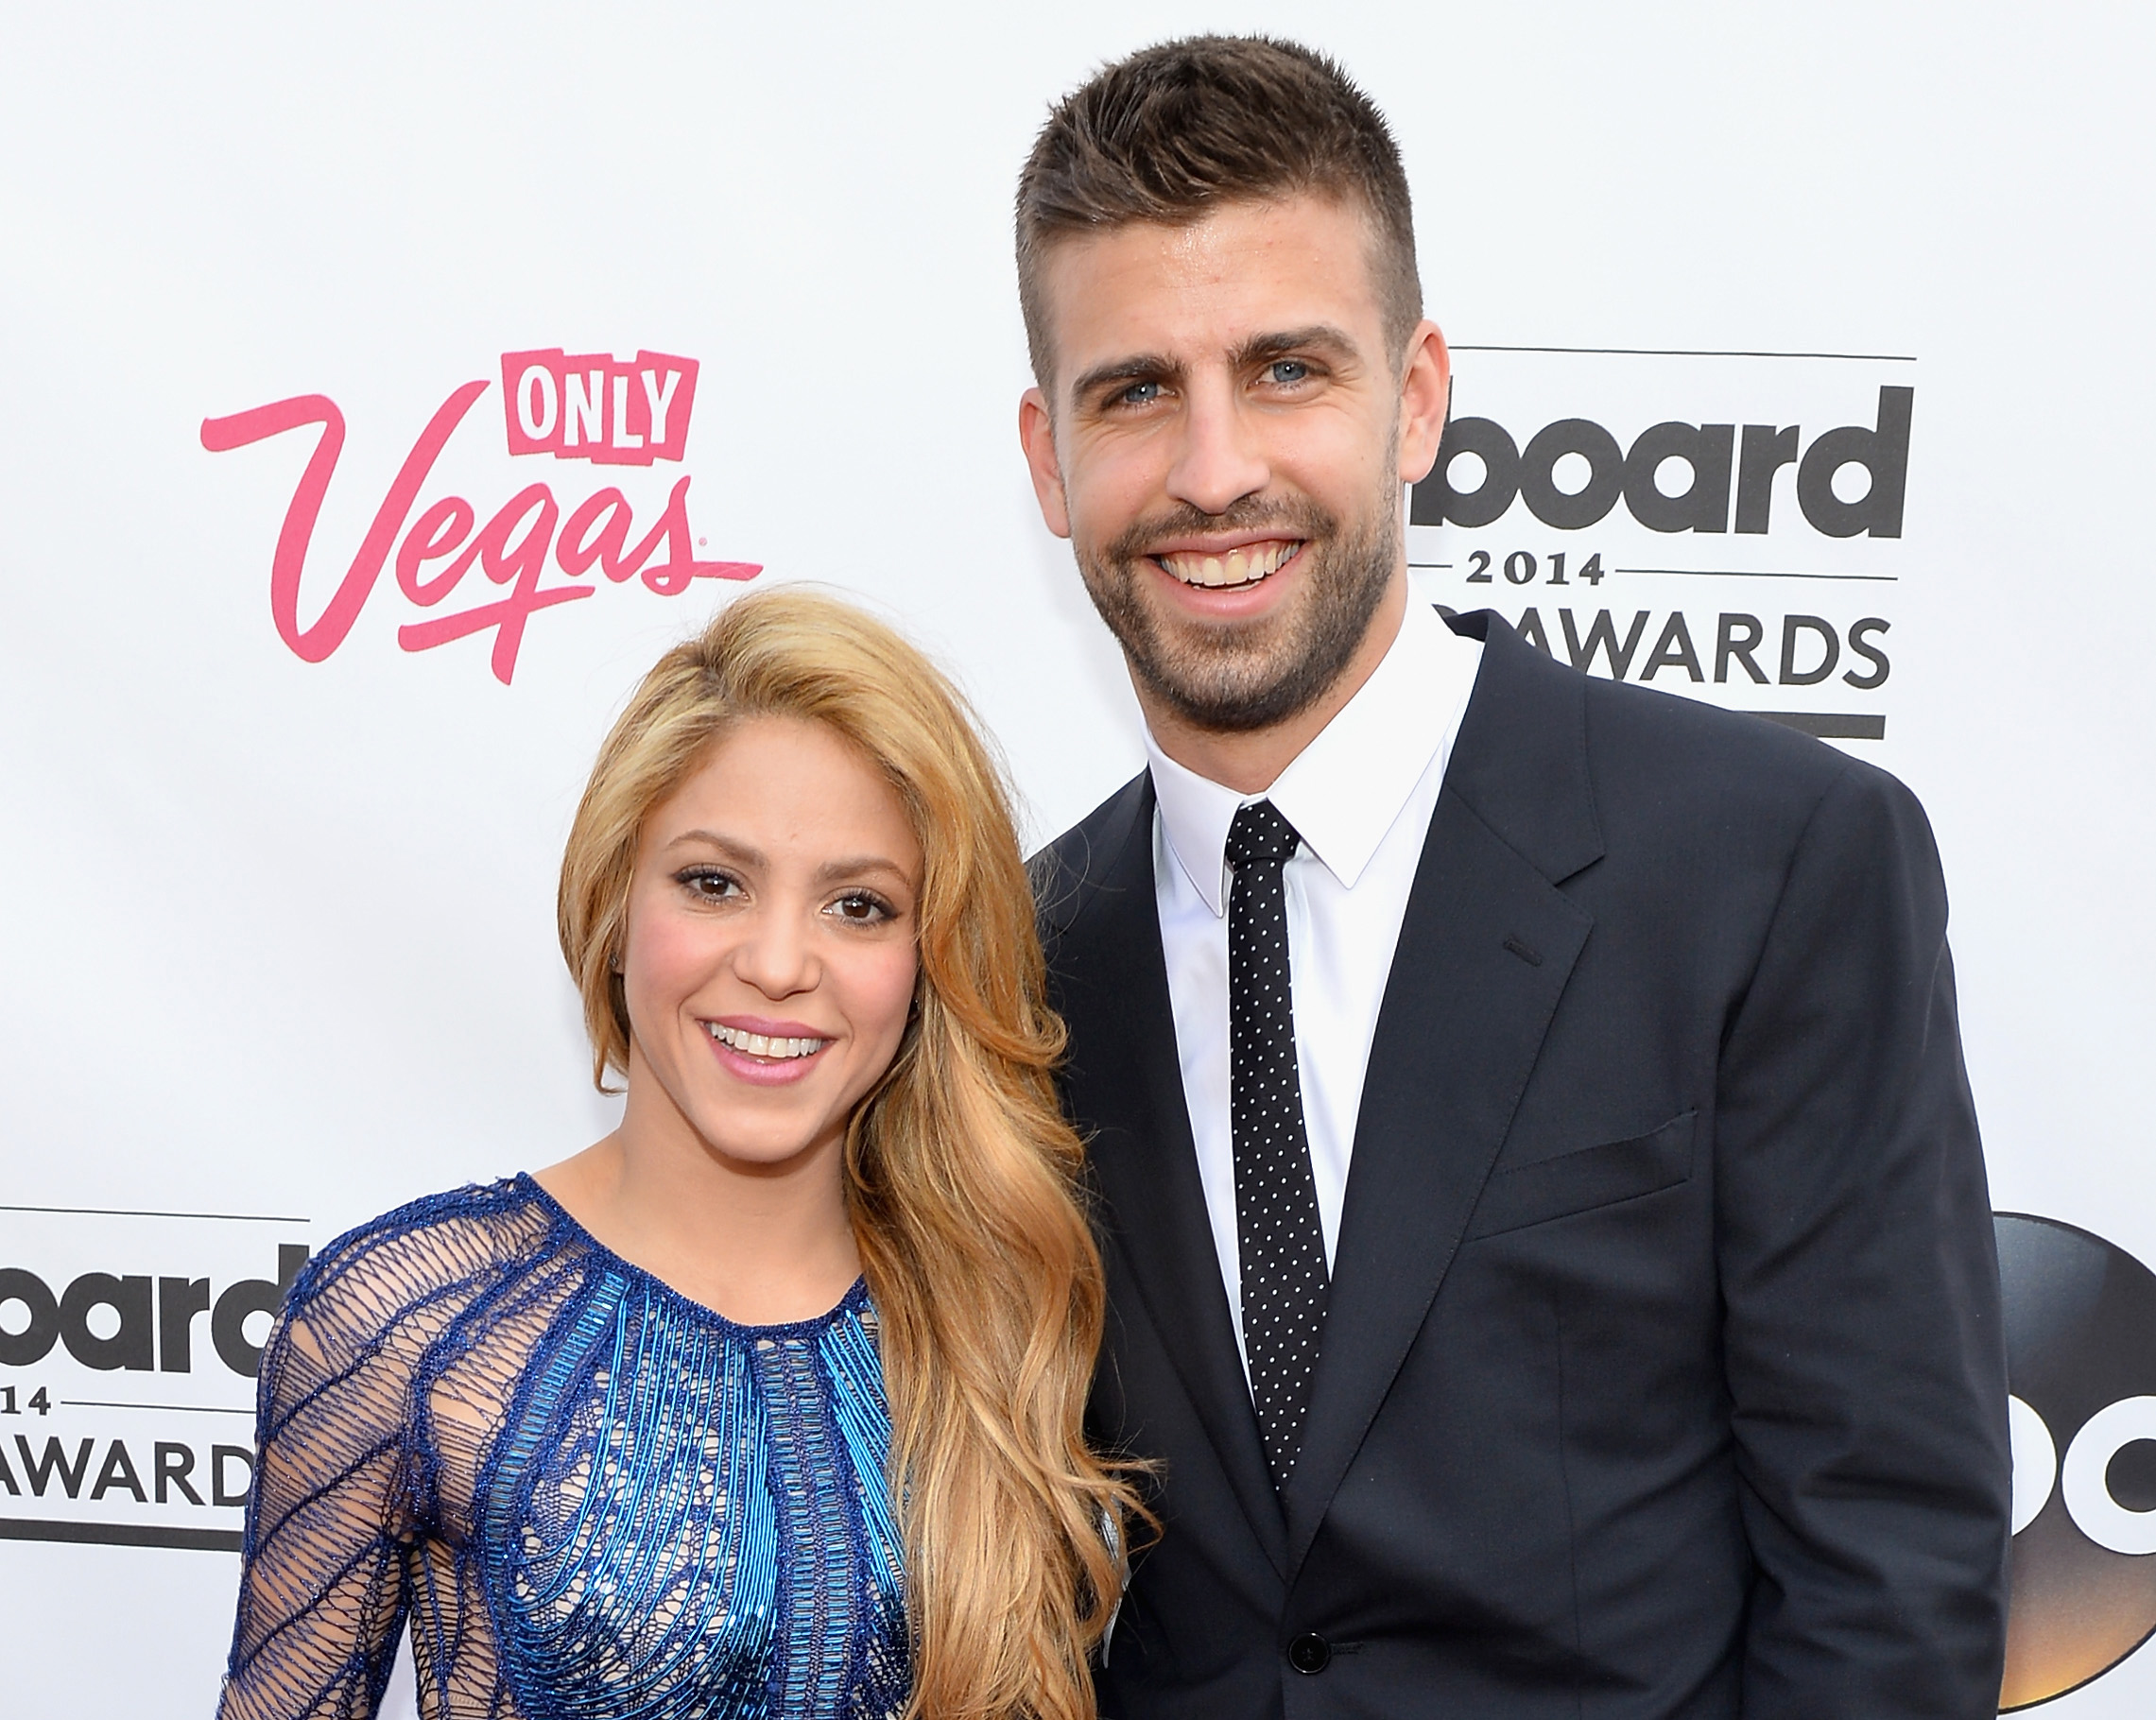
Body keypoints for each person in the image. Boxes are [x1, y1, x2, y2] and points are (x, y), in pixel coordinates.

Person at [1017, 35, 2009, 1718]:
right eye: (1135, 392)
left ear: (1414, 401)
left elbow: (1886, 1561)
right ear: (1048, 460)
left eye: (1284, 371)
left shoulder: (1765, 862)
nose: (1209, 471)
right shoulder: (1022, 960)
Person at [217, 588, 1140, 1720]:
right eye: (714, 882)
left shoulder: (1003, 1325)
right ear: (613, 901)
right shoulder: (403, 1321)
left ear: (927, 961)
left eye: (858, 904)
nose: (777, 961)